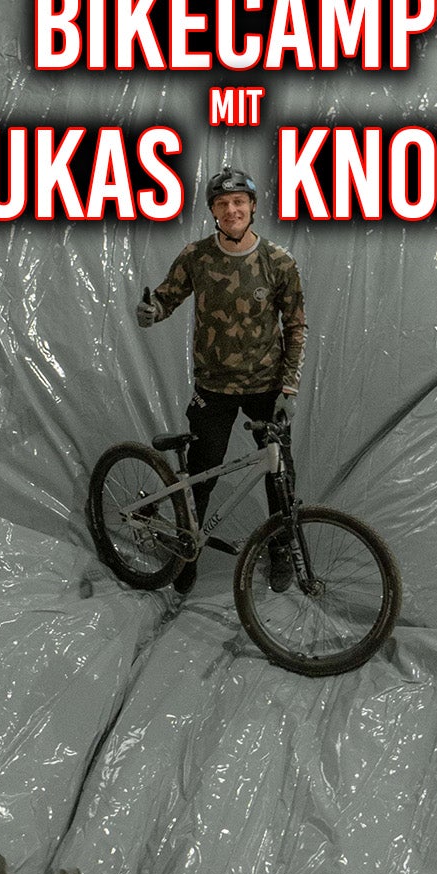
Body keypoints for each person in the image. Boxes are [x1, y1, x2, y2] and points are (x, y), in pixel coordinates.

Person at [136, 166, 307, 596]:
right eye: (222, 203)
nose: (231, 209)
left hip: (267, 388)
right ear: (213, 211)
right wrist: (153, 311)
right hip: (213, 387)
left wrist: (288, 387)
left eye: (238, 201)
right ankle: (185, 552)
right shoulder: (196, 256)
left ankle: (280, 549)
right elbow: (167, 297)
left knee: (279, 475)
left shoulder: (279, 262)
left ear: (252, 206)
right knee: (201, 474)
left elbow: (296, 326)